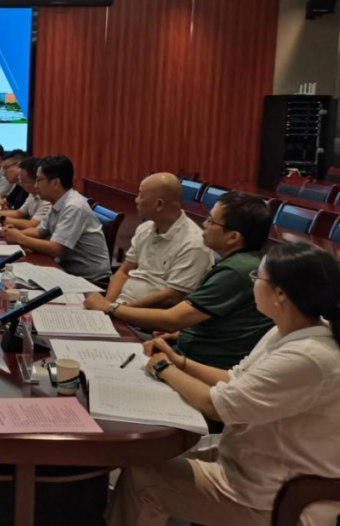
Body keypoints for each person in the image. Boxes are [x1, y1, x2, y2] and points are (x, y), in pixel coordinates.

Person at [108, 242, 340, 526]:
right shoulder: (287, 331)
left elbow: (217, 405)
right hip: (256, 464)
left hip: (275, 497)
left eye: (257, 277)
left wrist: (163, 368)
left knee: (143, 478)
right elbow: (235, 378)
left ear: (280, 293)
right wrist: (180, 362)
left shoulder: (308, 356)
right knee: (148, 455)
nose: (253, 283)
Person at [84, 192, 274, 369]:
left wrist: (110, 308)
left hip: (200, 363)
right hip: (186, 346)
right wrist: (178, 335)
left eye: (211, 220)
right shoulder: (246, 263)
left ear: (233, 237)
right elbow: (214, 320)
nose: (204, 224)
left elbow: (172, 319)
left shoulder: (235, 271)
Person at [103, 173, 213, 306]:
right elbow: (123, 272)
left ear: (159, 204)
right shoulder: (145, 228)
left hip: (146, 314)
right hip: (121, 306)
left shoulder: (193, 244)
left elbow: (172, 297)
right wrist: (106, 306)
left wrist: (114, 310)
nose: (136, 200)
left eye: (141, 196)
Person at [4, 155, 111, 282]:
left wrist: (20, 238)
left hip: (90, 279)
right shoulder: (57, 201)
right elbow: (39, 231)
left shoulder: (73, 206)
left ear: (55, 183)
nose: (36, 185)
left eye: (39, 180)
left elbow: (55, 249)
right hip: (66, 269)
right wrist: (13, 233)